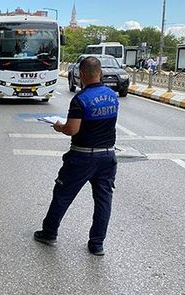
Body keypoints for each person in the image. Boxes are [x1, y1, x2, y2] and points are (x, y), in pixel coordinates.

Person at [34, 56, 119, 256]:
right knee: (103, 200)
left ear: (81, 74)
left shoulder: (81, 99)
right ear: (101, 73)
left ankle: (49, 232)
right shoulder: (112, 95)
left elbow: (72, 129)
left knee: (62, 194)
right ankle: (97, 244)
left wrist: (58, 126)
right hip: (108, 156)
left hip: (82, 157)